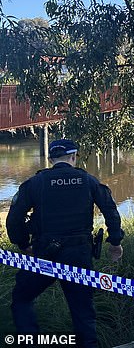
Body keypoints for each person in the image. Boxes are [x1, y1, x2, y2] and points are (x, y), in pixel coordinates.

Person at [6, 139, 124, 347]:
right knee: (83, 312)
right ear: (73, 156)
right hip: (79, 255)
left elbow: (14, 219)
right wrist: (115, 242)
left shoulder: (36, 183)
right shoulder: (88, 180)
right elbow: (110, 209)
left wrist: (24, 244)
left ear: (51, 159)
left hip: (44, 253)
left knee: (22, 299)